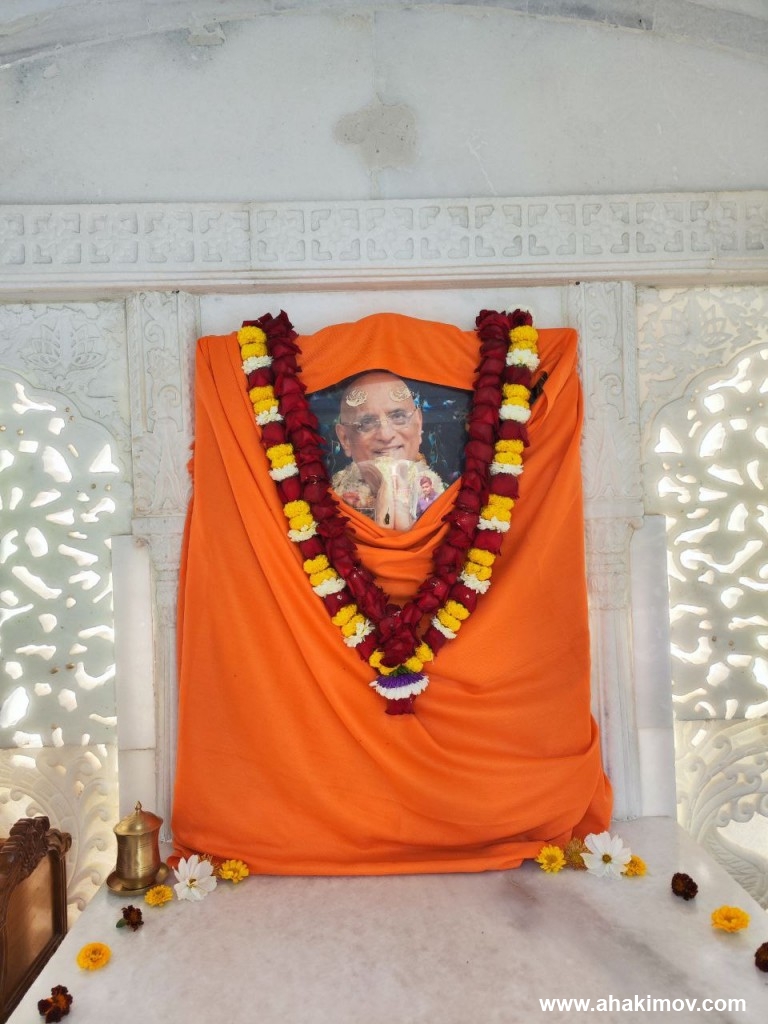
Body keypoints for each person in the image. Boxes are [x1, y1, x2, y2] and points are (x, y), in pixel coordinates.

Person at [332, 370, 445, 529]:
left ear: (418, 424)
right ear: (345, 439)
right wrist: (386, 491)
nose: (385, 435)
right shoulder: (328, 507)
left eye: (398, 416)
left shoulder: (448, 500)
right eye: (366, 422)